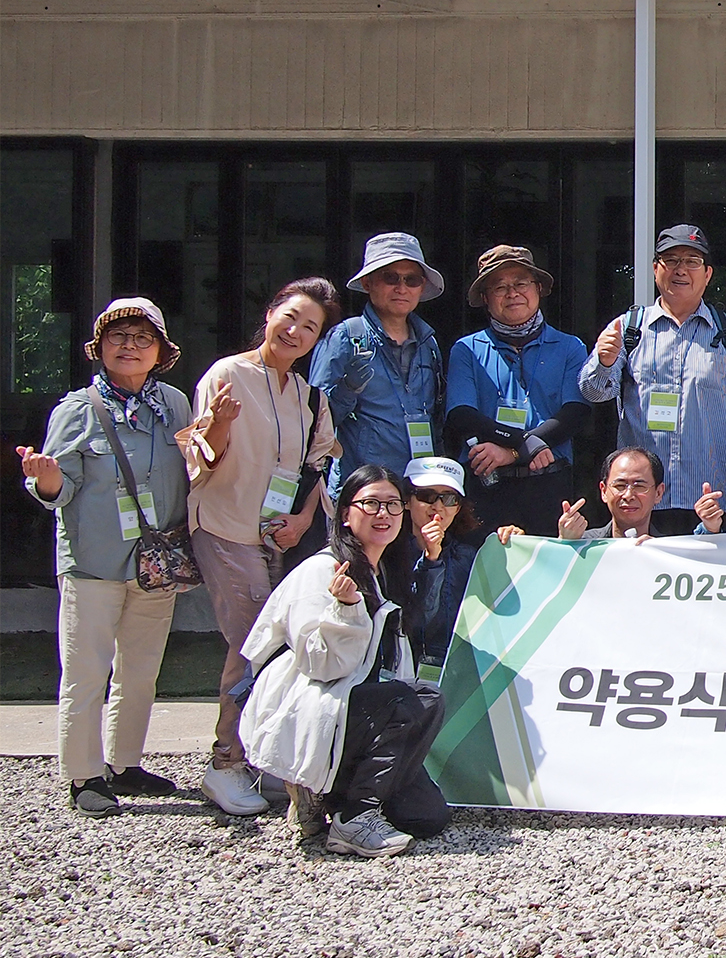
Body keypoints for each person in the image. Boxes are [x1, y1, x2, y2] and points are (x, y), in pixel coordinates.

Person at [18, 298, 192, 817]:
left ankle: (125, 764)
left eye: (143, 337)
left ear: (160, 351)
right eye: (119, 336)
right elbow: (59, 486)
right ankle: (83, 775)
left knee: (140, 670)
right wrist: (46, 478)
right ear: (100, 349)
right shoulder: (76, 410)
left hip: (155, 562)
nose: (130, 345)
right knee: (87, 672)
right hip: (93, 562)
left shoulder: (176, 406)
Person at [179, 278, 341, 817]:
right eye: (290, 317)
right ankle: (225, 762)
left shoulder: (307, 395)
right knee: (253, 640)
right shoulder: (227, 374)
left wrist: (301, 520)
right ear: (271, 312)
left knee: (274, 642)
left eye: (311, 327)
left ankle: (260, 756)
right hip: (224, 526)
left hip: (276, 537)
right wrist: (221, 425)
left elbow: (317, 465)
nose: (296, 331)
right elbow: (201, 461)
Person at [239, 466, 449, 857]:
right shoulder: (319, 571)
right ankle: (354, 817)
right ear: (346, 514)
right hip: (313, 705)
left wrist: (433, 560)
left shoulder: (387, 570)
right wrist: (347, 611)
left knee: (426, 816)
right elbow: (322, 666)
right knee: (421, 699)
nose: (382, 514)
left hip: (363, 708)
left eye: (392, 505)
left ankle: (329, 797)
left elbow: (421, 631)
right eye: (370, 504)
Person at [579, 224, 726, 535]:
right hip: (641, 504)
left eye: (692, 261)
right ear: (655, 270)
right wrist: (604, 361)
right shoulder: (629, 328)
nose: (681, 270)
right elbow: (593, 393)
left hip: (710, 501)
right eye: (671, 260)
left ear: (707, 274)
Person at [445, 245, 591, 536]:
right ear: (485, 299)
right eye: (500, 287)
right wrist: (527, 443)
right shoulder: (467, 350)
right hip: (488, 487)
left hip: (548, 486)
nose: (512, 293)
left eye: (521, 283)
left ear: (538, 288)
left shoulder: (570, 346)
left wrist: (512, 451)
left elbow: (575, 414)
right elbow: (461, 415)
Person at [310, 232, 445, 488]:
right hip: (361, 493)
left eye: (412, 279)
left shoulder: (430, 344)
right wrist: (346, 391)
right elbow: (313, 424)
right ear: (368, 283)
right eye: (390, 277)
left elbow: (436, 420)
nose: (401, 288)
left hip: (418, 489)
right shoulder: (345, 337)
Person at [404, 456, 506, 673]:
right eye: (427, 496)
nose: (438, 506)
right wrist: (431, 559)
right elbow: (417, 621)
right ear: (406, 500)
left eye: (449, 499)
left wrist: (513, 548)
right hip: (401, 672)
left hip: (456, 677)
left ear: (458, 508)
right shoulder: (388, 553)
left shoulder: (469, 556)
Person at [558, 447, 669, 540]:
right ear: (604, 491)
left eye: (639, 486)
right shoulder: (584, 545)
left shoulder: (670, 553)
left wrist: (656, 552)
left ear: (658, 493)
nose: (628, 496)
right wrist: (566, 543)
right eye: (620, 486)